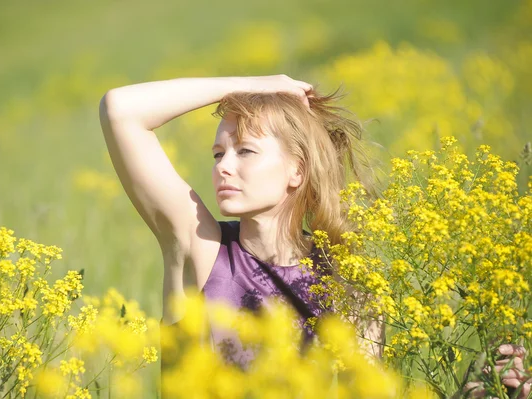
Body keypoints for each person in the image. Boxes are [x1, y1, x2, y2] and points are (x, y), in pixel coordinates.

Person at [98, 75, 530, 393]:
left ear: (297, 170)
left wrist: (476, 390)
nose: (223, 166)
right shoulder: (202, 250)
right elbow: (121, 110)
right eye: (218, 153)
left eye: (245, 150)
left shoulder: (347, 285)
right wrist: (257, 86)